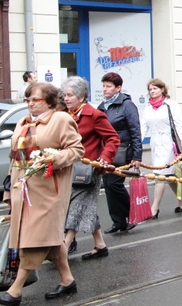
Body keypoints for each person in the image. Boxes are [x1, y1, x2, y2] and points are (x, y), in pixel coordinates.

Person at [0, 83, 85, 305]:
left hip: (48, 192)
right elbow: (16, 158)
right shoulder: (24, 121)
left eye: (36, 100)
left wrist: (54, 158)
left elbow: (76, 150)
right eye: (28, 100)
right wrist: (9, 189)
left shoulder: (60, 119)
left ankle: (15, 290)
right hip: (23, 191)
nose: (31, 104)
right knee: (50, 237)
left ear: (51, 101)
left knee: (34, 239)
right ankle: (67, 280)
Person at [61, 77, 120, 260]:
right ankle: (100, 245)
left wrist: (104, 158)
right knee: (85, 207)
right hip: (66, 169)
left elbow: (113, 138)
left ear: (82, 96)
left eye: (70, 95)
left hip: (87, 171)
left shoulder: (94, 115)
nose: (66, 99)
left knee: (76, 207)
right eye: (64, 95)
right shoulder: (63, 115)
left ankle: (63, 247)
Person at [98, 72, 143, 234]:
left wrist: (137, 155)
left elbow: (135, 130)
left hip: (123, 150)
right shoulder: (102, 106)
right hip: (106, 152)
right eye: (103, 86)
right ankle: (118, 221)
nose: (105, 89)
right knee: (108, 186)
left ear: (118, 88)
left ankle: (131, 214)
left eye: (109, 86)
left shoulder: (127, 105)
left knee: (114, 184)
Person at [141, 78, 182, 218]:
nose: (152, 91)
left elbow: (179, 126)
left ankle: (154, 208)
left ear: (162, 90)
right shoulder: (148, 108)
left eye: (155, 88)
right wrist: (136, 143)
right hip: (155, 144)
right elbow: (143, 127)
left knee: (160, 175)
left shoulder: (171, 105)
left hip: (169, 144)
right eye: (150, 89)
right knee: (170, 177)